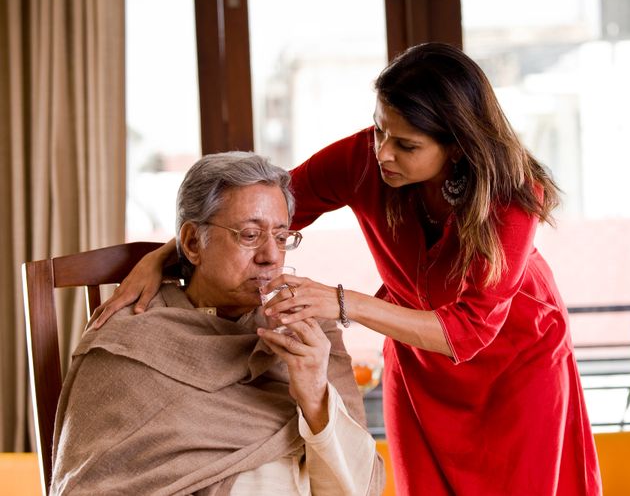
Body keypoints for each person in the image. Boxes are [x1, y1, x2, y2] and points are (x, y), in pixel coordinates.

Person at [91, 43, 602, 495]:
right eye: (380, 129)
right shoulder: (363, 159)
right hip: (420, 364)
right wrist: (167, 253)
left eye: (406, 145)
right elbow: (255, 209)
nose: (383, 152)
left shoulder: (511, 197)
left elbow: (468, 331)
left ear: (459, 145)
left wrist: (340, 302)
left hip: (513, 362)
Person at [52, 152, 384, 495]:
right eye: (250, 235)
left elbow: (360, 488)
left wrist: (315, 396)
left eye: (282, 237)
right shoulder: (131, 340)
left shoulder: (311, 333)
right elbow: (92, 483)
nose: (271, 256)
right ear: (194, 243)